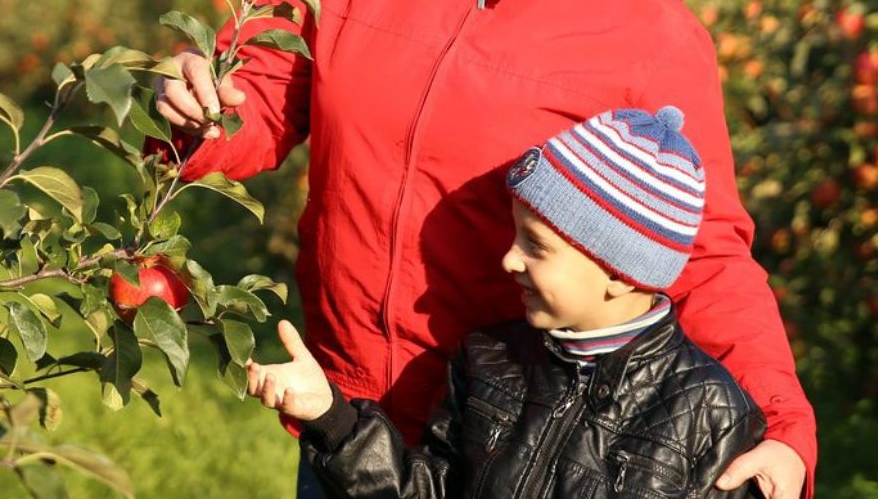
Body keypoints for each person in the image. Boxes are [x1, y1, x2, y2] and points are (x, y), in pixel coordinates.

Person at [154, 0, 815, 495]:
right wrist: (199, 111)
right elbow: (262, 98)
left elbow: (705, 252)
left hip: (511, 444)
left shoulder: (647, 34)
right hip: (344, 414)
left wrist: (781, 426)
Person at [247, 106, 767, 498]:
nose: (509, 261)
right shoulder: (489, 360)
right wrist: (331, 417)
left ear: (618, 272)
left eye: (536, 246)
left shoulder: (709, 411)